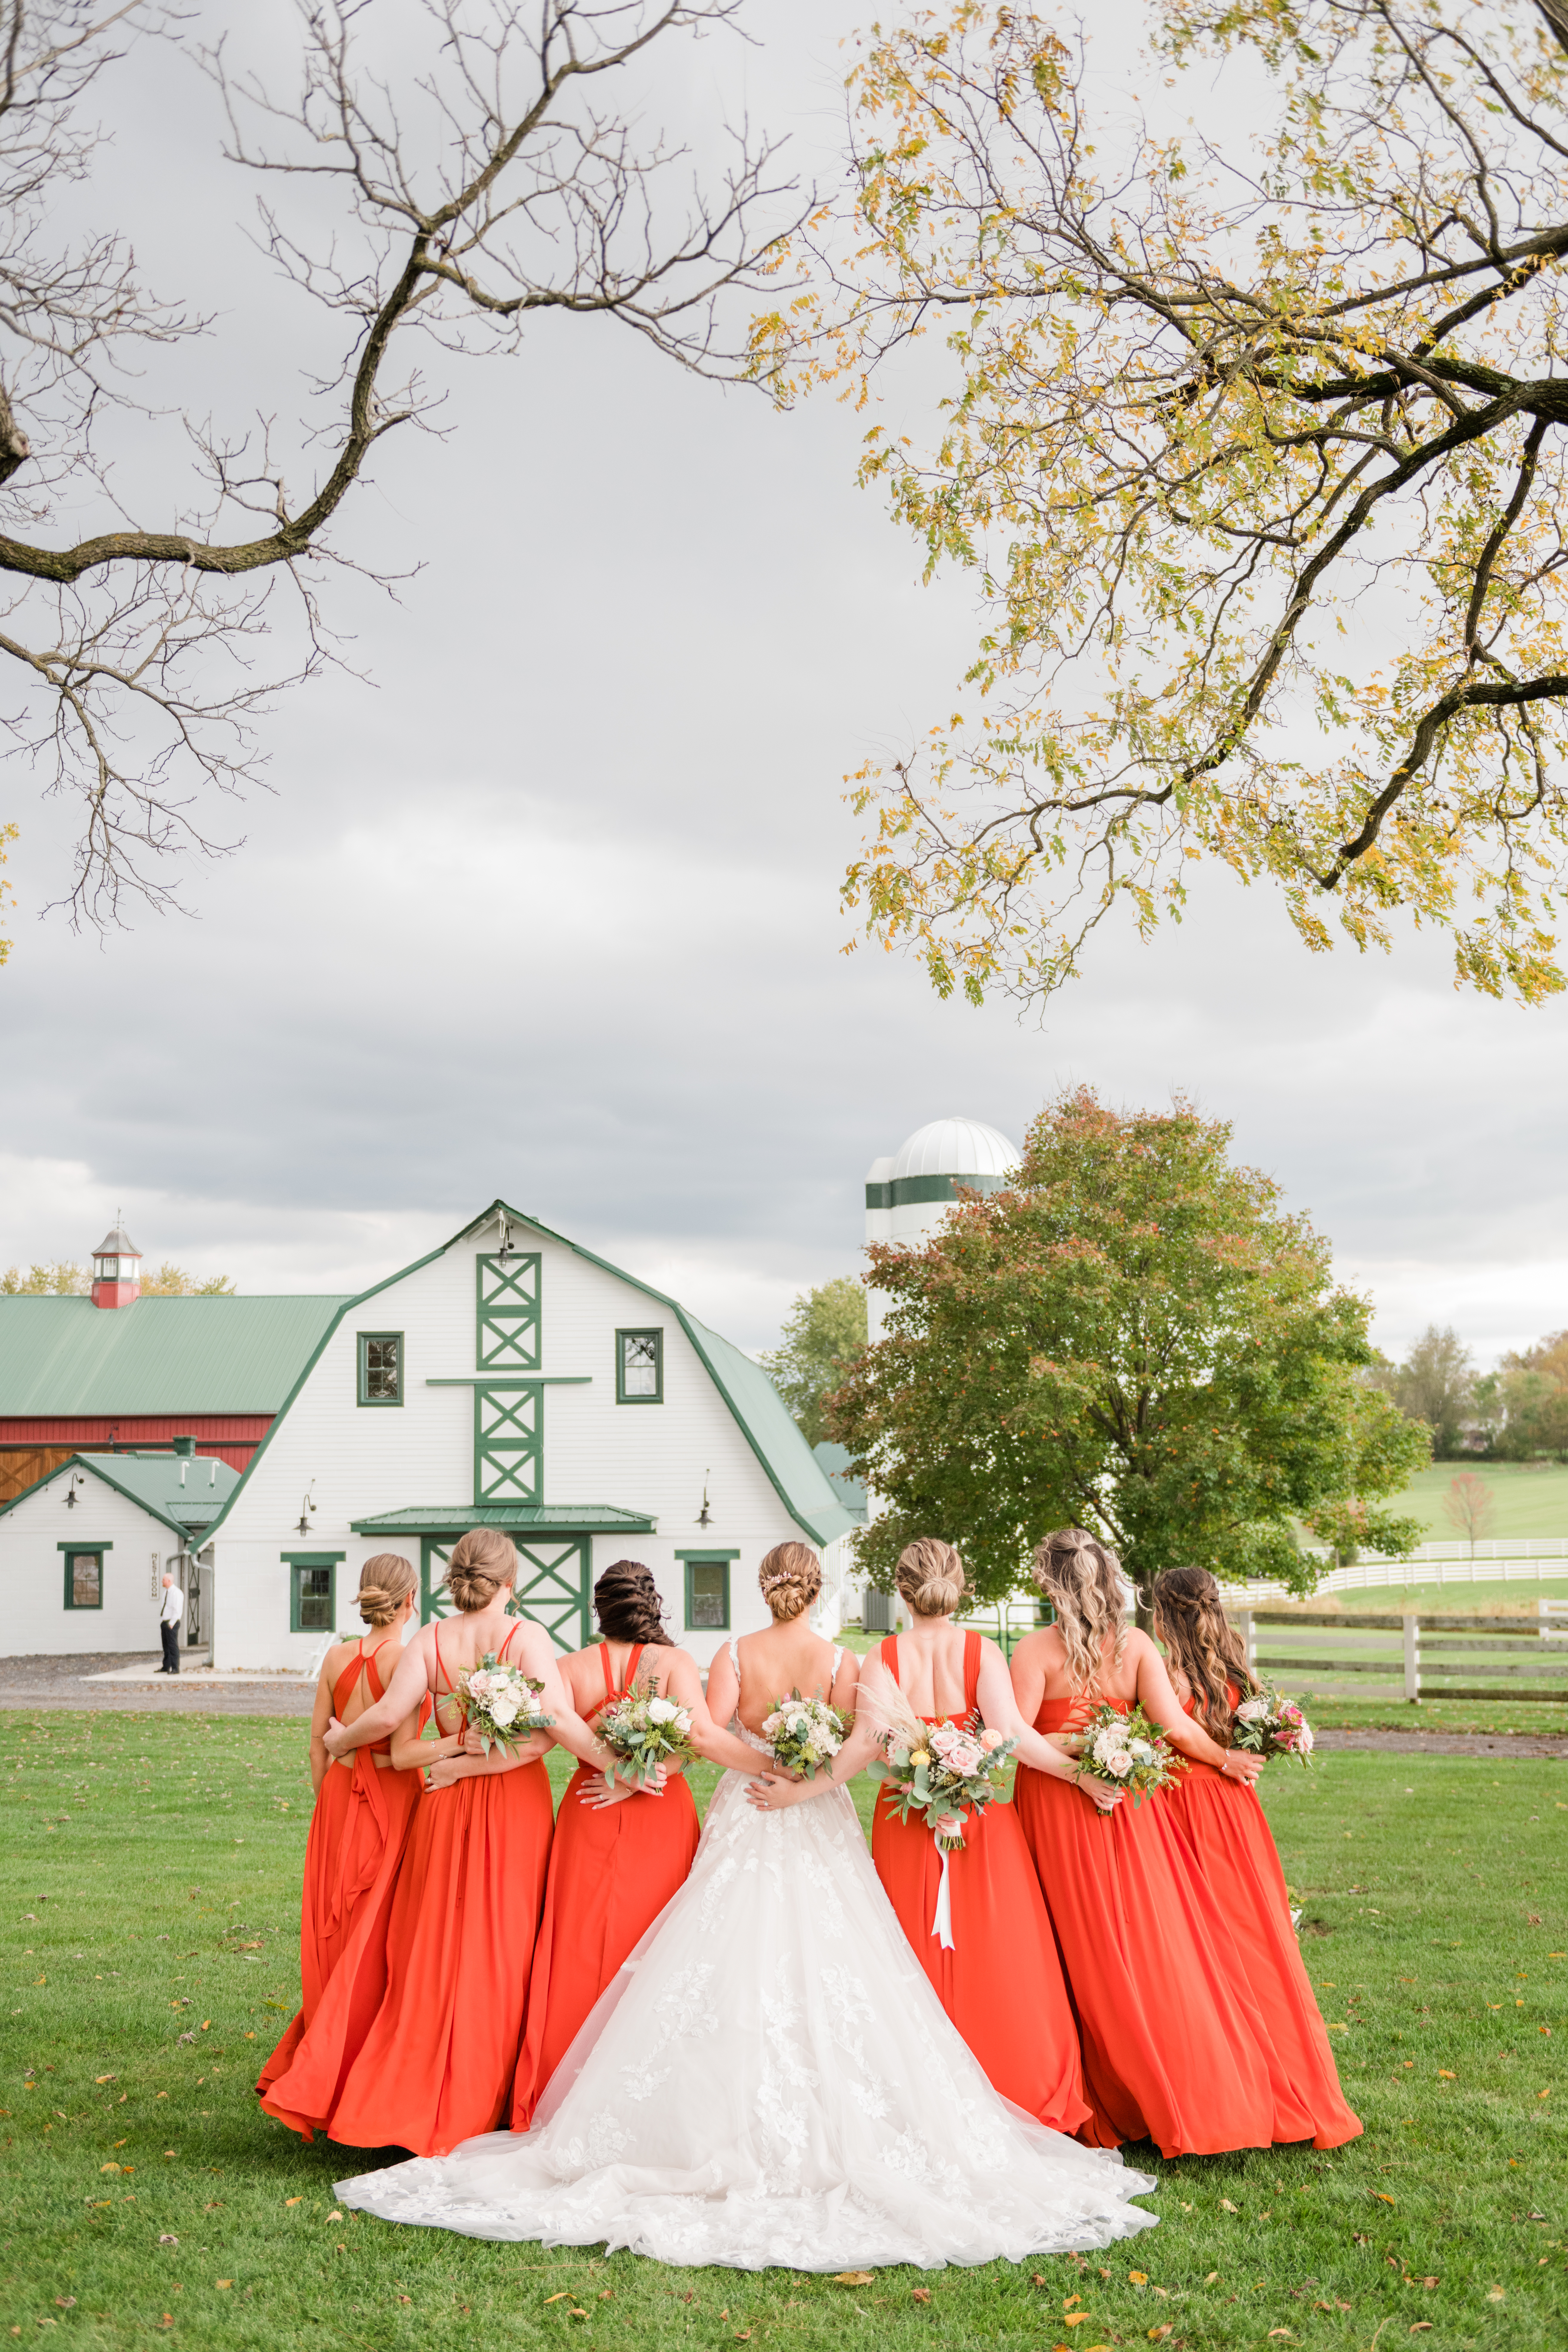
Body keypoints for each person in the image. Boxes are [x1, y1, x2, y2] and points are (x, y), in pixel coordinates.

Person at [332, 1542, 1158, 2271]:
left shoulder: (733, 1652)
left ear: (766, 1589)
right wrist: (806, 1782)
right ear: (815, 1590)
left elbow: (703, 1732)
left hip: (748, 1809)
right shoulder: (844, 1661)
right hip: (809, 1813)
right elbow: (863, 1739)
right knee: (840, 1958)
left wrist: (758, 1770)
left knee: (721, 1957)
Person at [756, 1536, 1107, 2136]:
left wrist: (798, 1791)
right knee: (1001, 1952)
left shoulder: (883, 1654)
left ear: (900, 1589)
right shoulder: (980, 1651)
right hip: (978, 1820)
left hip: (907, 1820)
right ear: (959, 1583)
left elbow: (864, 1745)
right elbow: (1013, 1734)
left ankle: (917, 2096)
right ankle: (1017, 2083)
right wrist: (1076, 1774)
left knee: (908, 1952)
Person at [318, 1528, 630, 2159]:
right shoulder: (525, 1638)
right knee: (500, 1946)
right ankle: (478, 2100)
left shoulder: (429, 1639)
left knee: (431, 1944)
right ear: (508, 1582)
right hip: (511, 1803)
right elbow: (554, 1723)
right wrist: (612, 1762)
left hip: (441, 1798)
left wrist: (338, 1740)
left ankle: (404, 2094)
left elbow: (385, 1720)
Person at [1009, 1526, 1292, 2159]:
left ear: (1049, 1581)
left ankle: (1100, 2088)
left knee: (1069, 1946)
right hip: (1127, 1805)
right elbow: (1175, 1728)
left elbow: (1013, 1738)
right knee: (1140, 1941)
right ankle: (1171, 2089)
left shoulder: (1031, 1651)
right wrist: (1224, 1759)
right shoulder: (1135, 1643)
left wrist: (1069, 1750)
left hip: (1057, 1804)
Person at [511, 1558, 769, 2128]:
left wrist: (462, 1758)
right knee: (662, 1946)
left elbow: (538, 1744)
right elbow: (701, 1738)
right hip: (659, 1807)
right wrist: (770, 1766)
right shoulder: (674, 1663)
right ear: (653, 1606)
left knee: (580, 1944)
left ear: (599, 1610)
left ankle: (562, 2084)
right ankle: (654, 2092)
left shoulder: (570, 1666)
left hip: (590, 1806)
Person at [1151, 1566, 1362, 2150]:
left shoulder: (1162, 1662)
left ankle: (1233, 2088)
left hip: (1181, 1803)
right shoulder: (1234, 1654)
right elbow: (1246, 1720)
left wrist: (1221, 1756)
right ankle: (1284, 2078)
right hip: (1234, 1810)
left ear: (1162, 1609)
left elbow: (1165, 1730)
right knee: (1253, 1938)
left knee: (1200, 1945)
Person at [257, 1554, 436, 2140]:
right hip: (391, 1794)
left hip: (338, 1797)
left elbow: (318, 1742)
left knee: (337, 1932)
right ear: (411, 1598)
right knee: (381, 1933)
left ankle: (328, 2060)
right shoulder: (407, 1657)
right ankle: (356, 2072)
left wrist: (330, 1799)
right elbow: (404, 1741)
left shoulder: (336, 1656)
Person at [157, 1570, 183, 1674]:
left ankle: (176, 1668)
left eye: (164, 1580)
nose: (162, 1581)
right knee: (166, 1646)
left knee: (173, 1646)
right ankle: (166, 1666)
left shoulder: (177, 1593)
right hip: (165, 1622)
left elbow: (177, 1610)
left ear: (169, 1581)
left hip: (172, 1623)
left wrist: (172, 1623)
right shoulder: (167, 1592)